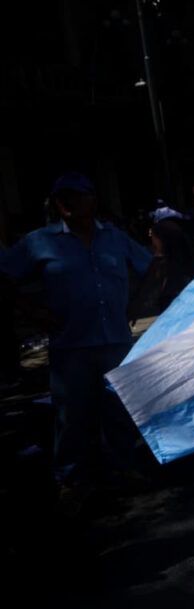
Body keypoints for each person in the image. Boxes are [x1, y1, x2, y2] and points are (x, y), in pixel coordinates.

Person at [0, 173, 153, 488]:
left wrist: (138, 305)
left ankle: (122, 471)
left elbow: (152, 266)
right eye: (61, 197)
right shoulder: (40, 241)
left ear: (92, 199)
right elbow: (5, 276)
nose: (67, 202)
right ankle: (71, 482)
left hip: (115, 341)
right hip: (71, 346)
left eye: (75, 195)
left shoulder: (115, 237)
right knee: (71, 419)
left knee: (119, 412)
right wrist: (31, 311)